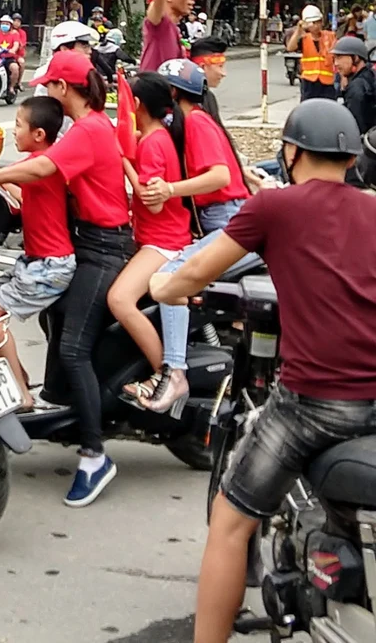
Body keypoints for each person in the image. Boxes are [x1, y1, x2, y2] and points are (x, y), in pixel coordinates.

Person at [149, 99, 376, 643]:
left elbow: (190, 272)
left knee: (230, 524)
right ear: (350, 159)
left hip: (313, 404)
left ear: (292, 151)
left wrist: (164, 286)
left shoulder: (275, 207)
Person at [0, 50, 132, 507]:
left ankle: (94, 454)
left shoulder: (85, 129)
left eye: (49, 86)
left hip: (105, 248)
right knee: (54, 323)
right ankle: (51, 402)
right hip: (85, 243)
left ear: (65, 89)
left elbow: (42, 168)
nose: (46, 92)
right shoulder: (85, 128)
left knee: (72, 347)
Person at [135, 58, 251, 413]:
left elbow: (218, 177)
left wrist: (169, 189)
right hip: (218, 220)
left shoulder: (197, 122)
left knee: (172, 278)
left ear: (170, 94)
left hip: (227, 222)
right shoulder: (187, 124)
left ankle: (175, 371)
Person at [0, 97, 75, 412]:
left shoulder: (41, 162)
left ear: (38, 135)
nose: (13, 131)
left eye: (18, 125)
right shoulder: (40, 164)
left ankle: (21, 395)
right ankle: (18, 374)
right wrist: (1, 174)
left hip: (51, 266)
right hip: (38, 262)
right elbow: (25, 196)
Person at [109, 74, 193, 401]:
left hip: (164, 241)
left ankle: (166, 374)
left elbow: (153, 203)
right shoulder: (154, 137)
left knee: (119, 299)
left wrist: (125, 162)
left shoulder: (153, 142)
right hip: (156, 237)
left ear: (138, 105)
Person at [286, 3, 337, 101]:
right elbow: (290, 47)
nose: (316, 26)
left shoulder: (330, 36)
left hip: (327, 82)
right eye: (313, 23)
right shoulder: (304, 39)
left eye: (318, 22)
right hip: (309, 81)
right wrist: (298, 30)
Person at [333, 35, 376, 135]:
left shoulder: (357, 88)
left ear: (355, 58)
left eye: (339, 58)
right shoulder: (369, 75)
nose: (336, 63)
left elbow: (355, 128)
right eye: (335, 58)